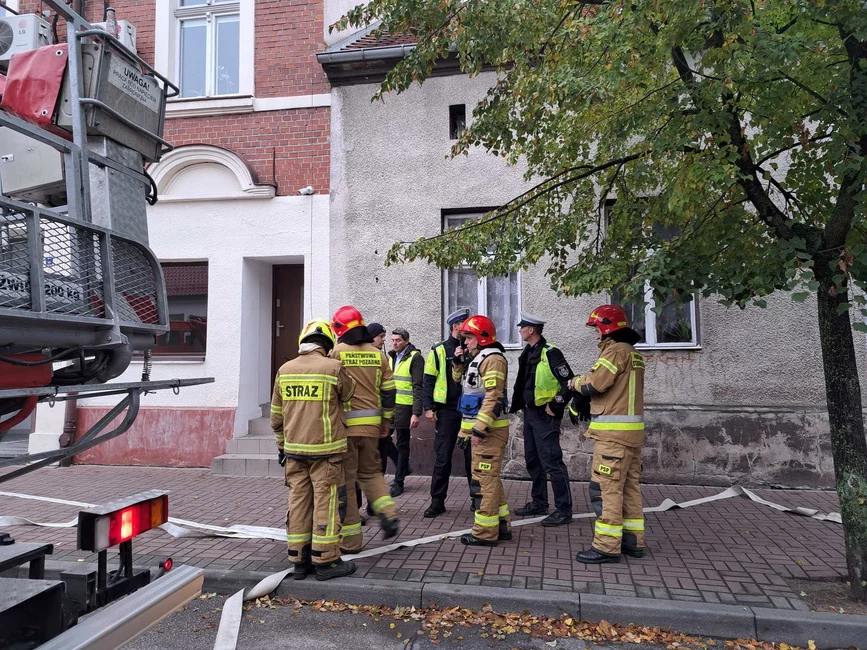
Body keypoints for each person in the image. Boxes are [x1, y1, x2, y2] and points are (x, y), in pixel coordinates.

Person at [271, 320, 357, 580]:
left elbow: (276, 416)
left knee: (298, 502)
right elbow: (349, 393)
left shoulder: (284, 370)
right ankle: (326, 560)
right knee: (326, 503)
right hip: (325, 451)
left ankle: (299, 559)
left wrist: (281, 445)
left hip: (293, 451)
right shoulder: (333, 367)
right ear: (327, 344)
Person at [570, 305, 646, 564]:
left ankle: (606, 547)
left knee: (605, 489)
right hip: (632, 436)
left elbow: (595, 383)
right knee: (629, 488)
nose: (596, 336)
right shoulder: (633, 353)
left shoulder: (615, 352)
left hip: (612, 438)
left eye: (596, 330)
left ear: (606, 327)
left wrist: (574, 383)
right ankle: (633, 541)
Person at [331, 306, 400, 553]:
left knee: (347, 482)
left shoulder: (336, 353)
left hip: (345, 429)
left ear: (339, 329)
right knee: (371, 475)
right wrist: (386, 423)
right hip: (372, 428)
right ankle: (389, 514)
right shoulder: (377, 354)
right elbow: (390, 392)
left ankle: (350, 541)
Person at [510, 313, 575, 527]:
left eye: (522, 328)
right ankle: (539, 502)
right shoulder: (528, 352)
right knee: (533, 460)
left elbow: (569, 381)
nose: (520, 331)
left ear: (531, 330)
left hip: (545, 415)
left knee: (552, 462)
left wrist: (556, 404)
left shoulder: (551, 352)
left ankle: (564, 509)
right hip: (530, 413)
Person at [452, 315, 511, 546]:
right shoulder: (477, 359)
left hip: (489, 433)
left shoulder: (493, 359)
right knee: (490, 480)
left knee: (483, 483)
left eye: (468, 338)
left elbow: (494, 397)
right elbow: (460, 382)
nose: (465, 343)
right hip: (479, 432)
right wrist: (458, 363)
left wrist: (478, 430)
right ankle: (502, 526)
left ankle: (485, 533)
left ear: (482, 338)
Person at [422, 308, 480, 517]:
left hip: (470, 411)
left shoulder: (475, 348)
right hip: (446, 410)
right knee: (443, 457)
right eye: (464, 324)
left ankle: (477, 499)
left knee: (471, 457)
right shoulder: (438, 350)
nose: (468, 328)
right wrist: (428, 407)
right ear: (455, 326)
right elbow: (428, 379)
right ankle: (437, 501)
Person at [386, 328, 423, 497]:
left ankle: (398, 481)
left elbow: (418, 386)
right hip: (390, 406)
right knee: (383, 440)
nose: (394, 343)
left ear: (406, 341)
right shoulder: (391, 357)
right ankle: (404, 467)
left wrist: (416, 413)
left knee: (402, 444)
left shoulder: (415, 358)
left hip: (404, 408)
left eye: (398, 340)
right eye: (393, 340)